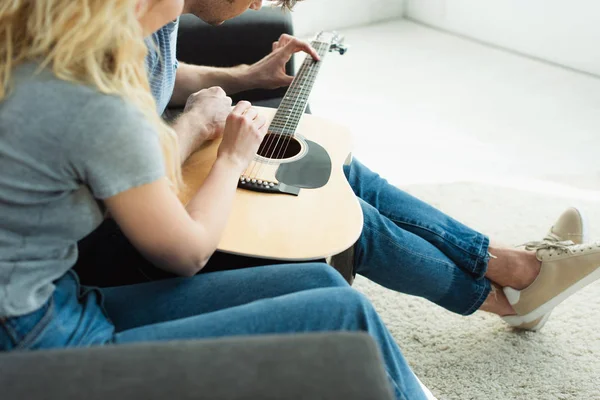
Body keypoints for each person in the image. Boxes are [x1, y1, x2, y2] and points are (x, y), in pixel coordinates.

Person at [76, 0, 600, 332]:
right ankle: (509, 298)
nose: (258, 4)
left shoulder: (157, 18)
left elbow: (166, 72)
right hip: (127, 227)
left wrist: (244, 75)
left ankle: (512, 266)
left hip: (160, 166)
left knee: (344, 171)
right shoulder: (108, 36)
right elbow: (124, 165)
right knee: (343, 216)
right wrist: (197, 127)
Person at [0, 1, 430, 398]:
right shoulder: (100, 97)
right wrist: (232, 158)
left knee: (322, 282)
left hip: (56, 300)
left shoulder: (36, 51)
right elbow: (186, 254)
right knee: (344, 314)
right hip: (37, 341)